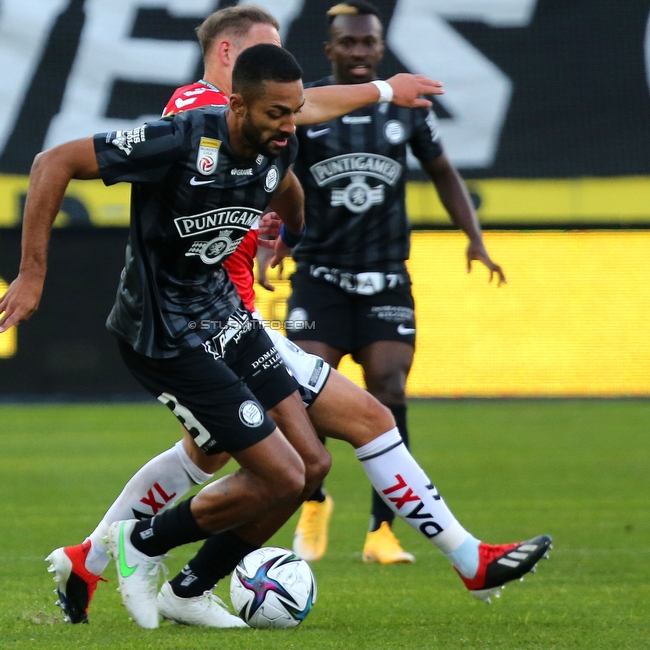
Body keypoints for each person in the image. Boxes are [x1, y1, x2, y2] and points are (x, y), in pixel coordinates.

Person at [30, 9, 551, 630]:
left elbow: (299, 137)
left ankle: (107, 564)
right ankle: (142, 560)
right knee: (298, 453)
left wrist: (289, 228)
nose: (291, 112)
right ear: (230, 59)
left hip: (231, 316)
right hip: (180, 327)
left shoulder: (273, 127)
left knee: (265, 458)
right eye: (269, 58)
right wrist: (381, 90)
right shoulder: (196, 114)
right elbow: (64, 162)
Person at [283, 0, 508, 565]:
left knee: (389, 387)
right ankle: (313, 499)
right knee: (300, 397)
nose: (360, 52)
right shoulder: (308, 105)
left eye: (369, 43)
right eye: (349, 43)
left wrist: (474, 237)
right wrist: (274, 241)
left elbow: (442, 171)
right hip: (319, 276)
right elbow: (278, 180)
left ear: (382, 48)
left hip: (385, 278)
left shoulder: (405, 108)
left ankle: (383, 531)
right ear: (329, 49)